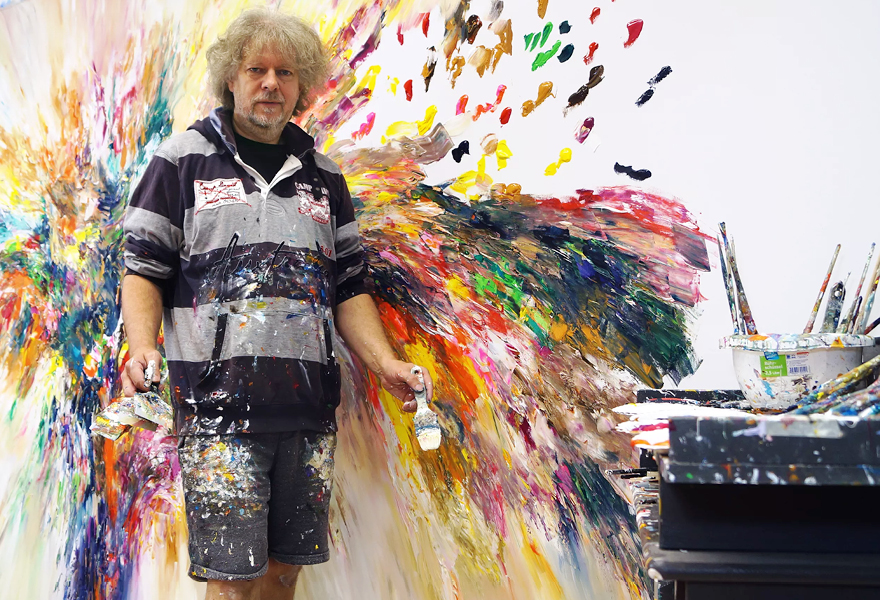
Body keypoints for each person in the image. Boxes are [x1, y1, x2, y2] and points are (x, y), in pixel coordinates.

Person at [119, 8, 433, 600]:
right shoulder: (180, 160)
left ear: (301, 87)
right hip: (218, 414)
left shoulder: (325, 176)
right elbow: (143, 271)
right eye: (256, 69)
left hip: (308, 411)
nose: (271, 84)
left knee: (283, 576)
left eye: (285, 73)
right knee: (232, 584)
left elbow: (349, 288)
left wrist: (386, 364)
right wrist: (141, 346)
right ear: (231, 79)